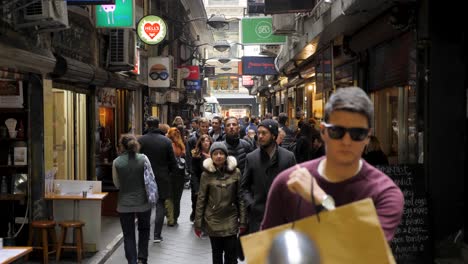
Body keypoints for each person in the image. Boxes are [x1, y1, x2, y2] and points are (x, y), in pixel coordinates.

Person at [261, 87, 404, 242]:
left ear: (367, 137)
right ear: (323, 132)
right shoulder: (288, 183)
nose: (346, 141)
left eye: (357, 133)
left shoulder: (384, 193)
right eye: (337, 131)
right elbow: (269, 249)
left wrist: (323, 201)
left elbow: (367, 250)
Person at [194, 142, 247, 264]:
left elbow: (241, 197)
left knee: (231, 255)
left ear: (226, 155)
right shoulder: (206, 175)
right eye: (215, 153)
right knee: (216, 254)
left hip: (231, 218)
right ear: (211, 156)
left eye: (221, 153)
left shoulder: (236, 172)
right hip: (213, 219)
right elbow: (201, 199)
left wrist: (243, 220)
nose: (219, 156)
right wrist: (198, 224)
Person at [241, 119, 297, 233]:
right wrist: (252, 205)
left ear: (273, 135)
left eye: (264, 133)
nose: (260, 136)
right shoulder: (251, 158)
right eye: (258, 133)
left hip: (282, 218)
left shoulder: (288, 157)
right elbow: (244, 188)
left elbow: (295, 185)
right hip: (258, 218)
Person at [112, 134, 153, 264]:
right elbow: (150, 178)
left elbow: (117, 184)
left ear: (121, 146)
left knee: (128, 234)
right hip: (143, 201)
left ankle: (132, 261)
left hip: (124, 203)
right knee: (144, 230)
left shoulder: (116, 162)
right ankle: (142, 257)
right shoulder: (143, 158)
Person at [138, 117, 177, 243]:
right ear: (158, 126)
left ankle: (145, 233)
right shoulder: (166, 141)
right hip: (162, 177)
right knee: (160, 205)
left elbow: (136, 159)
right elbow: (173, 162)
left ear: (147, 125)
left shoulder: (141, 140)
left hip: (144, 177)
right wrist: (168, 173)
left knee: (146, 205)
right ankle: (157, 235)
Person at [165, 127, 186, 226]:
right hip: (179, 174)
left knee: (170, 196)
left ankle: (171, 218)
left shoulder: (168, 144)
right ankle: (175, 217)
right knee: (176, 197)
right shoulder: (181, 144)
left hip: (170, 173)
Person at [190, 134, 213, 223]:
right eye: (203, 141)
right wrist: (196, 188)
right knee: (197, 202)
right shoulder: (197, 155)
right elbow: (194, 172)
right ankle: (197, 216)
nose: (206, 143)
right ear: (200, 143)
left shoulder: (214, 153)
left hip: (211, 182)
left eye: (207, 141)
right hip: (200, 182)